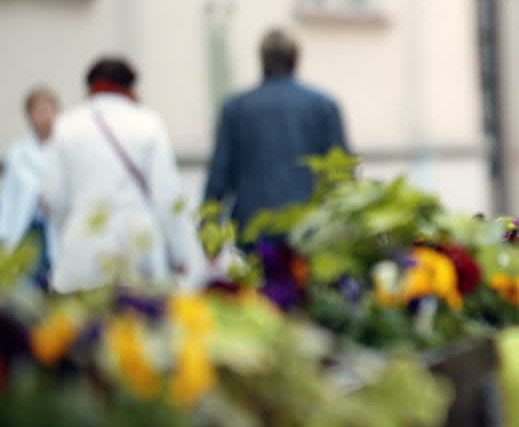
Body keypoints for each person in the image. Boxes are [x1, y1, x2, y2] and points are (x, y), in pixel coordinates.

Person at [42, 57, 207, 291]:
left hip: (83, 244)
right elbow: (168, 196)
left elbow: (54, 196)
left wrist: (66, 237)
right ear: (130, 87)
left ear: (89, 87)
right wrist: (180, 252)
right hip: (138, 243)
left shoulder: (65, 126)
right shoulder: (148, 123)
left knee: (84, 324)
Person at [204, 28, 348, 235]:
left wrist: (209, 229)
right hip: (309, 229)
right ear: (295, 59)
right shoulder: (324, 106)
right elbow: (341, 173)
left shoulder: (235, 108)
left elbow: (219, 175)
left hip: (253, 227)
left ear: (262, 61)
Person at [0, 86, 59, 285]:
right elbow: (8, 196)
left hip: (57, 228)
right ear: (29, 116)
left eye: (48, 110)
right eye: (38, 111)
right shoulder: (18, 152)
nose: (44, 117)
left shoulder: (66, 149)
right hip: (27, 227)